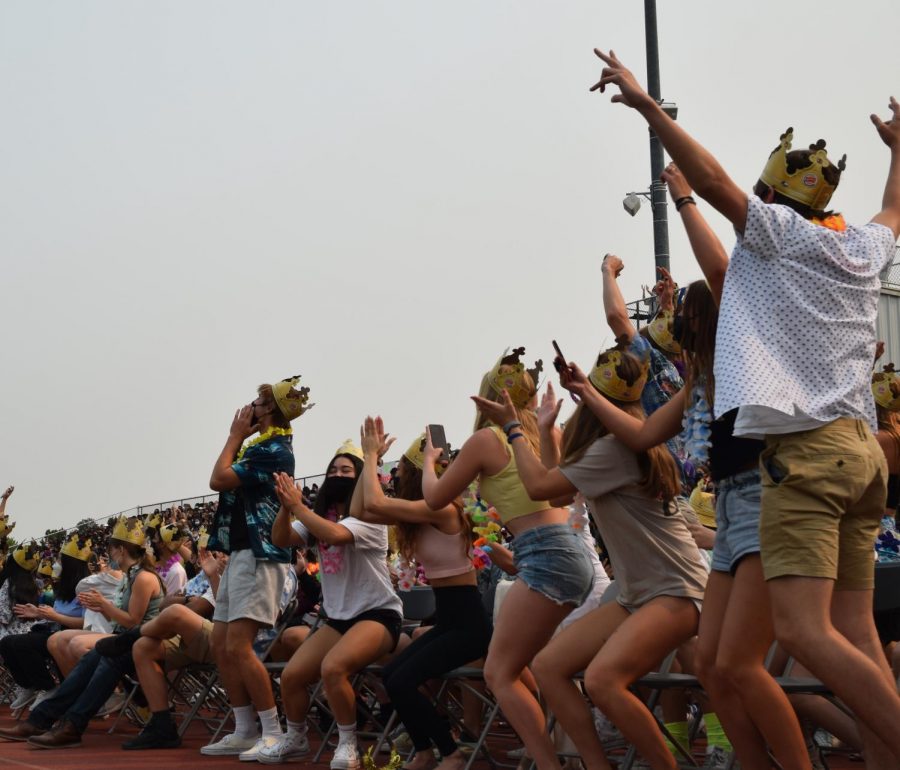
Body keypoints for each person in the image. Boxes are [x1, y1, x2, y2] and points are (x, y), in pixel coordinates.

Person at [592, 50, 900, 766]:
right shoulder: (860, 246)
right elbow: (893, 208)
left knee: (803, 634)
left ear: (769, 204)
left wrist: (647, 108)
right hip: (858, 455)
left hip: (804, 456)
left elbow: (714, 181)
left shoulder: (778, 240)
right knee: (827, 638)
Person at [474, 346, 707, 770]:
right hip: (640, 593)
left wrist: (512, 428)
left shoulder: (613, 450)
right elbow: (561, 493)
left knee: (602, 681)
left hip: (675, 589)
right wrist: (543, 430)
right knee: (548, 666)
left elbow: (540, 488)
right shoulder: (615, 444)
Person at [421, 348, 594, 770]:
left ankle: (552, 765)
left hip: (545, 554)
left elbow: (434, 498)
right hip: (570, 553)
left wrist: (429, 463)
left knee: (499, 673)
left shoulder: (486, 440)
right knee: (535, 668)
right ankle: (581, 761)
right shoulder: (542, 435)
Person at [259, 441, 403, 768]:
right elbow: (280, 539)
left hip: (378, 615)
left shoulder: (369, 516)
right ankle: (295, 738)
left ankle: (348, 743)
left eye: (346, 471)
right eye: (333, 470)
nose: (337, 475)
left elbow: (335, 535)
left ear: (360, 478)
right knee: (293, 675)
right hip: (338, 618)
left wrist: (299, 508)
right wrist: (285, 506)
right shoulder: (320, 516)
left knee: (333, 668)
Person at [358, 418, 490, 770]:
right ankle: (425, 751)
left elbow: (375, 502)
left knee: (403, 681)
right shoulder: (420, 514)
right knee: (392, 677)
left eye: (399, 469)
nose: (396, 475)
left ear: (415, 475)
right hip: (448, 619)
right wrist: (372, 461)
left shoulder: (441, 508)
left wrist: (370, 456)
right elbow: (363, 509)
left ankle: (451, 753)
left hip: (467, 623)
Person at [201, 375, 312, 761]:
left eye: (259, 403)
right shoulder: (263, 446)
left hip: (262, 554)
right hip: (242, 552)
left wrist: (234, 436)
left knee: (239, 645)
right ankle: (244, 729)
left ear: (271, 412)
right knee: (220, 645)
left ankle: (272, 731)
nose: (251, 407)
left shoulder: (275, 450)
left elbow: (218, 479)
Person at [0, 516, 163, 748]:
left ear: (120, 550)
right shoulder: (131, 577)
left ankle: (52, 717)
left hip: (139, 637)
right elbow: (121, 620)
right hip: (126, 635)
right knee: (60, 640)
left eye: (111, 547)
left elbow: (132, 622)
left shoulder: (143, 578)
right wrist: (101, 608)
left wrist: (103, 605)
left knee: (82, 647)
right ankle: (53, 717)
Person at [91, 547, 226, 749]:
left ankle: (130, 636)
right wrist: (209, 580)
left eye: (225, 551)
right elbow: (165, 604)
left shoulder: (259, 569)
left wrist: (208, 583)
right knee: (144, 647)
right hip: (197, 636)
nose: (221, 555)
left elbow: (210, 610)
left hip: (228, 640)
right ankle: (162, 725)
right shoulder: (212, 572)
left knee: (176, 614)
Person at [0, 534, 92, 714]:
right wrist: (37, 613)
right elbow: (55, 616)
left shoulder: (86, 587)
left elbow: (87, 623)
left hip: (70, 636)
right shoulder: (64, 588)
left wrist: (54, 616)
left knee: (20, 643)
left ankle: (48, 687)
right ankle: (28, 685)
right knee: (7, 643)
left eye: (60, 560)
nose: (56, 564)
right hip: (53, 631)